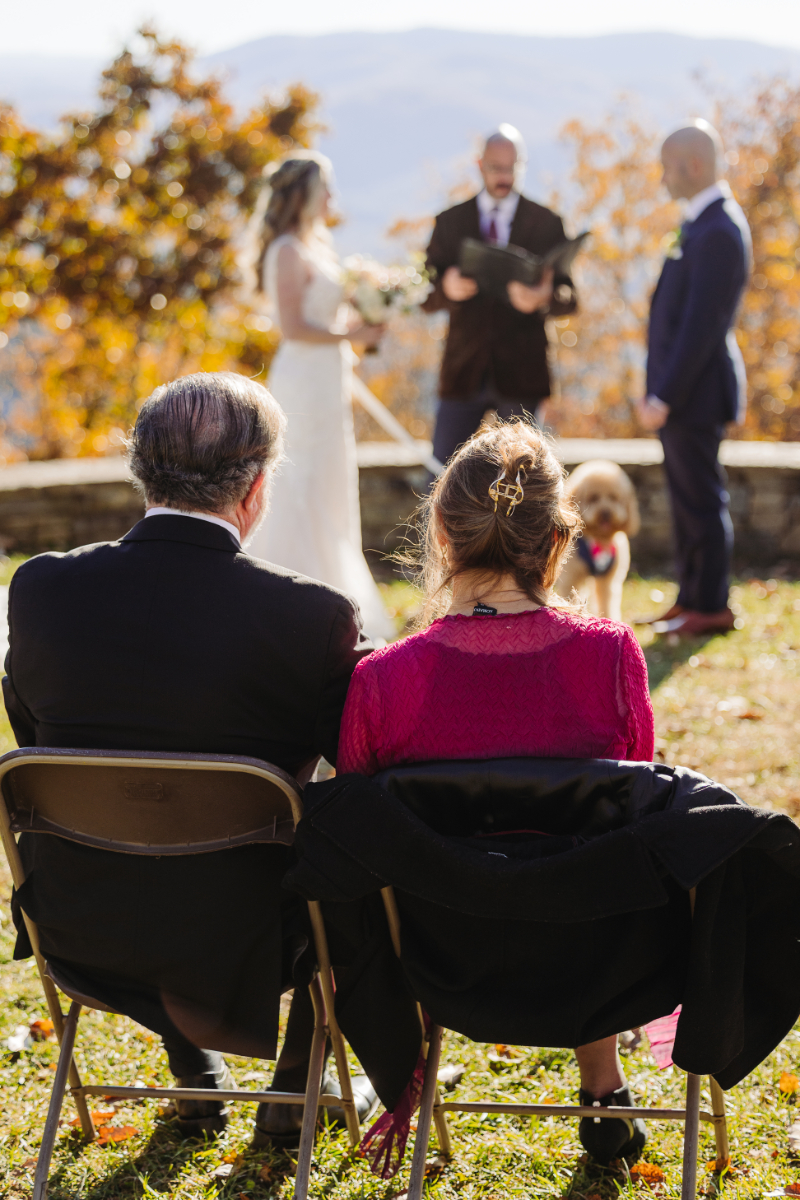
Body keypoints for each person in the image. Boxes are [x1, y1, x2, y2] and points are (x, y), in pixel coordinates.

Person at [3, 372, 377, 1145]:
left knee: (137, 805)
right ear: (258, 487)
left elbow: (35, 734)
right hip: (256, 934)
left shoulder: (41, 590)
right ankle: (294, 1093)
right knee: (363, 837)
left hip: (81, 924)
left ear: (139, 469)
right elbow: (361, 768)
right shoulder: (311, 617)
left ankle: (196, 1070)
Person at [337, 419, 654, 1165]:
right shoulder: (610, 658)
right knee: (588, 850)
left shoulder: (383, 679)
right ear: (556, 541)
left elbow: (356, 826)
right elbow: (633, 803)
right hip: (592, 949)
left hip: (440, 954)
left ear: (442, 536)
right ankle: (603, 1089)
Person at [243, 151, 393, 640]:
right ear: (303, 194)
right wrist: (349, 335)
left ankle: (335, 594)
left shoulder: (317, 245)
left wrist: (370, 314)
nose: (332, 197)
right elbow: (293, 326)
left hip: (329, 381)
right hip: (302, 379)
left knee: (329, 479)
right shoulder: (286, 249)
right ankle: (284, 596)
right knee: (297, 479)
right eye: (325, 187)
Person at [636, 120, 751, 636]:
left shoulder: (721, 230)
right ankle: (689, 597)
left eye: (668, 167)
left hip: (695, 395)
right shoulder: (699, 223)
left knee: (703, 501)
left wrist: (664, 394)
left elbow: (702, 329)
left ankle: (710, 605)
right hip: (683, 395)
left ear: (694, 165)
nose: (663, 178)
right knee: (686, 502)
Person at [423, 125, 577, 468]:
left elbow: (569, 295)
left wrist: (542, 297)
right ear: (480, 165)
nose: (504, 177)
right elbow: (422, 292)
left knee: (525, 477)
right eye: (496, 168)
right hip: (462, 372)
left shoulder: (546, 222)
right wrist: (446, 288)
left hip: (522, 373)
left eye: (512, 168)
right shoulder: (450, 222)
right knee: (440, 475)